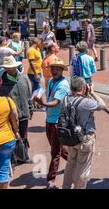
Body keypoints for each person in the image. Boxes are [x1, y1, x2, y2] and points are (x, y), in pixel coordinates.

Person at [62, 78, 107, 189]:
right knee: (83, 166)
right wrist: (92, 93)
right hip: (85, 139)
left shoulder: (65, 99)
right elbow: (102, 105)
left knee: (70, 163)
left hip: (71, 137)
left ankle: (66, 186)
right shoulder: (86, 102)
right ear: (83, 88)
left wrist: (85, 94)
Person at [33, 58, 70, 189]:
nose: (54, 70)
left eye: (57, 68)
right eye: (53, 68)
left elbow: (55, 102)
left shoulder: (63, 85)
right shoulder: (50, 81)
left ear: (62, 70)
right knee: (58, 148)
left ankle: (51, 179)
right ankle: (74, 161)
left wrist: (42, 103)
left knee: (55, 152)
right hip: (49, 120)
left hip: (57, 122)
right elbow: (48, 98)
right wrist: (40, 98)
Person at [0, 56, 34, 165]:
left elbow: (29, 94)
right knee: (12, 137)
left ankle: (23, 156)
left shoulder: (23, 78)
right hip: (10, 115)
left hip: (24, 112)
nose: (9, 69)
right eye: (7, 67)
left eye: (11, 67)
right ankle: (13, 159)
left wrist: (31, 107)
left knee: (23, 135)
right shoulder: (1, 83)